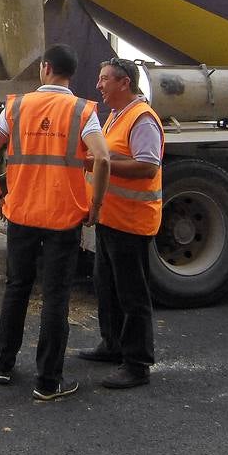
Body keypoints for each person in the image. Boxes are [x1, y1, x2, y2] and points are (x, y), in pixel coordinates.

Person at [0, 43, 111, 401]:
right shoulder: (83, 111)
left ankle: (3, 366)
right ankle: (47, 381)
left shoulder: (18, 106)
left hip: (20, 214)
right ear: (70, 74)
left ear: (45, 68)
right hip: (64, 218)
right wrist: (95, 205)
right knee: (55, 296)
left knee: (17, 287)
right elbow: (103, 158)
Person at [75, 57, 163, 389]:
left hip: (131, 220)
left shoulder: (142, 119)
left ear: (124, 82)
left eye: (104, 79)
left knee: (132, 293)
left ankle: (137, 363)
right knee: (106, 285)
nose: (99, 85)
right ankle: (112, 344)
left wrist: (100, 162)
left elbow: (147, 167)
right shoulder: (115, 116)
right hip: (110, 218)